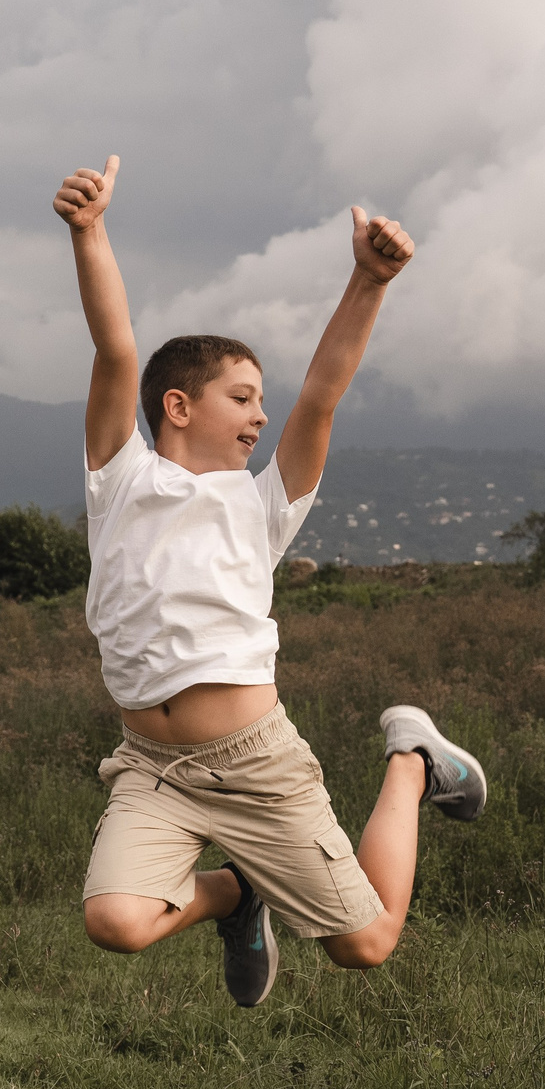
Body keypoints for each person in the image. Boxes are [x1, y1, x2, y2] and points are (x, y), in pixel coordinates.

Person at [55, 153, 486, 1006]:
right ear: (178, 406)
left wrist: (369, 281)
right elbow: (116, 347)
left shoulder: (263, 504)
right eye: (243, 397)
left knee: (366, 944)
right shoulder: (122, 477)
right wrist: (90, 231)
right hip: (152, 765)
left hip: (255, 760)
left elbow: (321, 395)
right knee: (115, 921)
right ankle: (234, 893)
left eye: (261, 401)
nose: (261, 414)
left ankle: (412, 761)